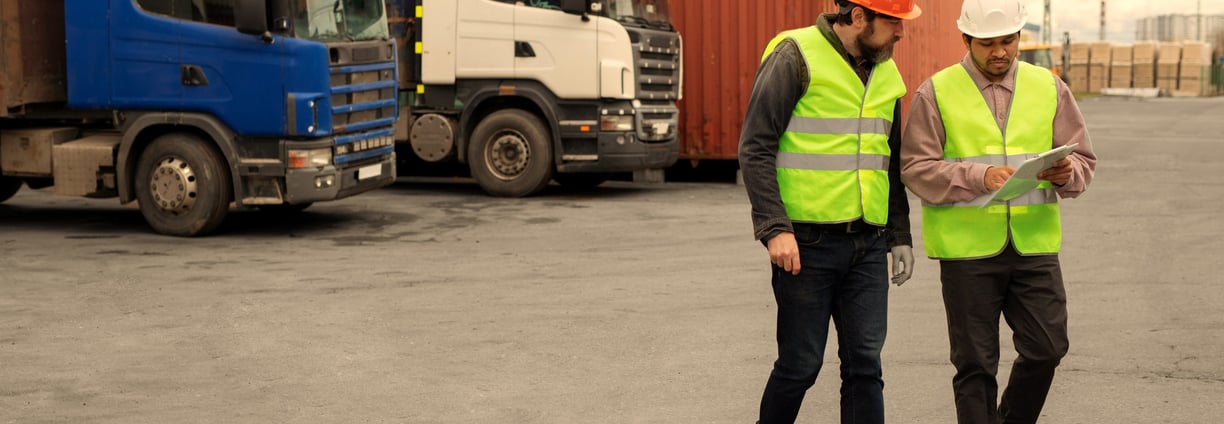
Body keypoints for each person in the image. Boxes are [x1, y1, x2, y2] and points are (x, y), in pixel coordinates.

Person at [900, 0, 1097, 423]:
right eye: (988, 43)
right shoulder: (936, 92)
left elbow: (1083, 159)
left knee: (1047, 348)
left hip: (1034, 247)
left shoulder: (1049, 87)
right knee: (975, 364)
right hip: (966, 252)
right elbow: (915, 168)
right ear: (966, 39)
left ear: (1019, 37)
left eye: (1008, 41)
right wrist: (980, 176)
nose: (1000, 52)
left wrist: (1067, 173)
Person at [738, 0, 921, 422]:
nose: (901, 33)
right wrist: (774, 227)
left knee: (865, 366)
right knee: (800, 365)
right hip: (806, 245)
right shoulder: (795, 55)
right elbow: (756, 146)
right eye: (893, 22)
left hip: (868, 243)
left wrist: (899, 235)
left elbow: (888, 160)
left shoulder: (886, 71)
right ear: (858, 17)